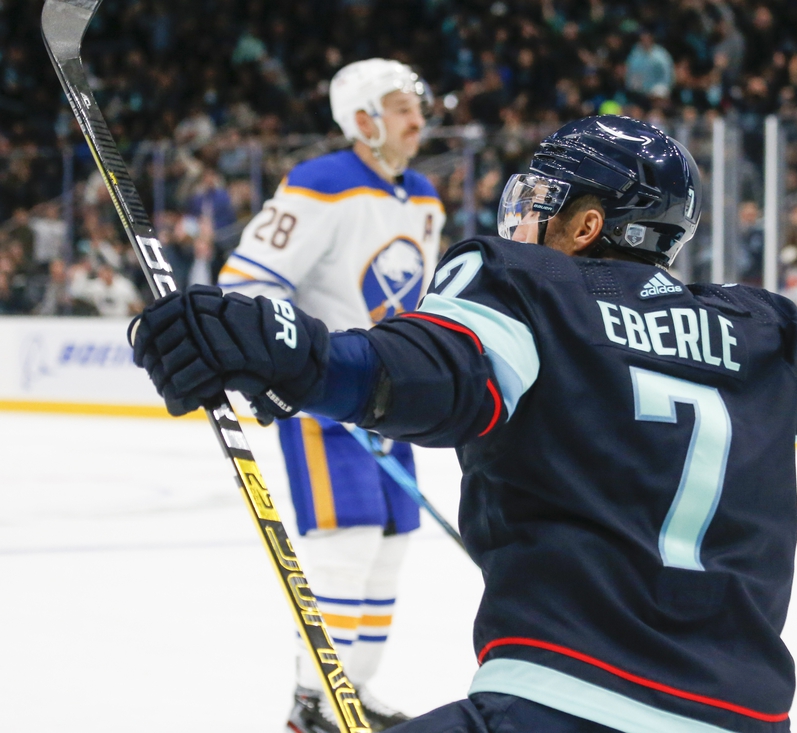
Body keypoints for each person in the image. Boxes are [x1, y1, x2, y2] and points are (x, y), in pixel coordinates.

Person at [131, 116, 797, 733]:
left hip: (556, 704)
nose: (521, 218)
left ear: (587, 224)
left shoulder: (530, 292)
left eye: (543, 203)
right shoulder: (759, 336)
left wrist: (289, 351)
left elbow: (426, 378)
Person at [215, 58, 444, 732]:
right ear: (364, 118)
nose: (418, 118)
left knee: (394, 540)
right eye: (403, 106)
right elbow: (248, 282)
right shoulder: (321, 183)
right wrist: (283, 360)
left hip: (399, 395)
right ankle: (313, 700)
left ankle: (354, 692)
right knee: (348, 540)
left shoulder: (424, 194)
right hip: (327, 396)